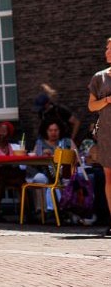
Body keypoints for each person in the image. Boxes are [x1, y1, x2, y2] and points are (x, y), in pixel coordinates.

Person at [87, 37, 111, 236]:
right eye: (107, 49)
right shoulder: (99, 78)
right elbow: (91, 106)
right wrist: (108, 99)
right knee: (109, 177)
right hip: (107, 133)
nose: (107, 52)